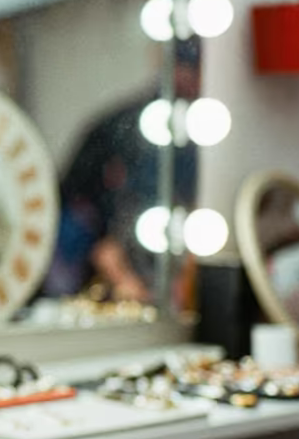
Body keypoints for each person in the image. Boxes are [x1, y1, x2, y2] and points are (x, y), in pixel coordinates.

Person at [44, 39, 200, 302]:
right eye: (187, 68)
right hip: (87, 237)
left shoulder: (194, 129)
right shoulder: (133, 127)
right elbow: (104, 234)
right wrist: (122, 275)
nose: (193, 78)